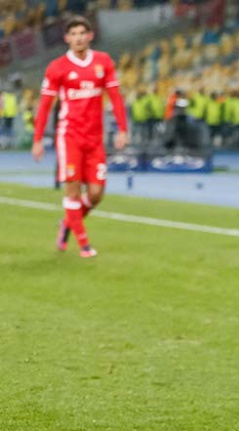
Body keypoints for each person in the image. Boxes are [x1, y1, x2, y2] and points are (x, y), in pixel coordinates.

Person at [32, 16, 128, 258]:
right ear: (67, 38)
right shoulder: (57, 67)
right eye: (73, 34)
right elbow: (44, 106)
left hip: (95, 139)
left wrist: (122, 129)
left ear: (90, 36)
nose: (78, 38)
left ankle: (68, 222)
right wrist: (37, 139)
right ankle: (84, 244)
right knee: (73, 190)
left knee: (96, 194)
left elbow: (115, 97)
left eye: (82, 33)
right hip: (70, 137)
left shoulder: (103, 62)